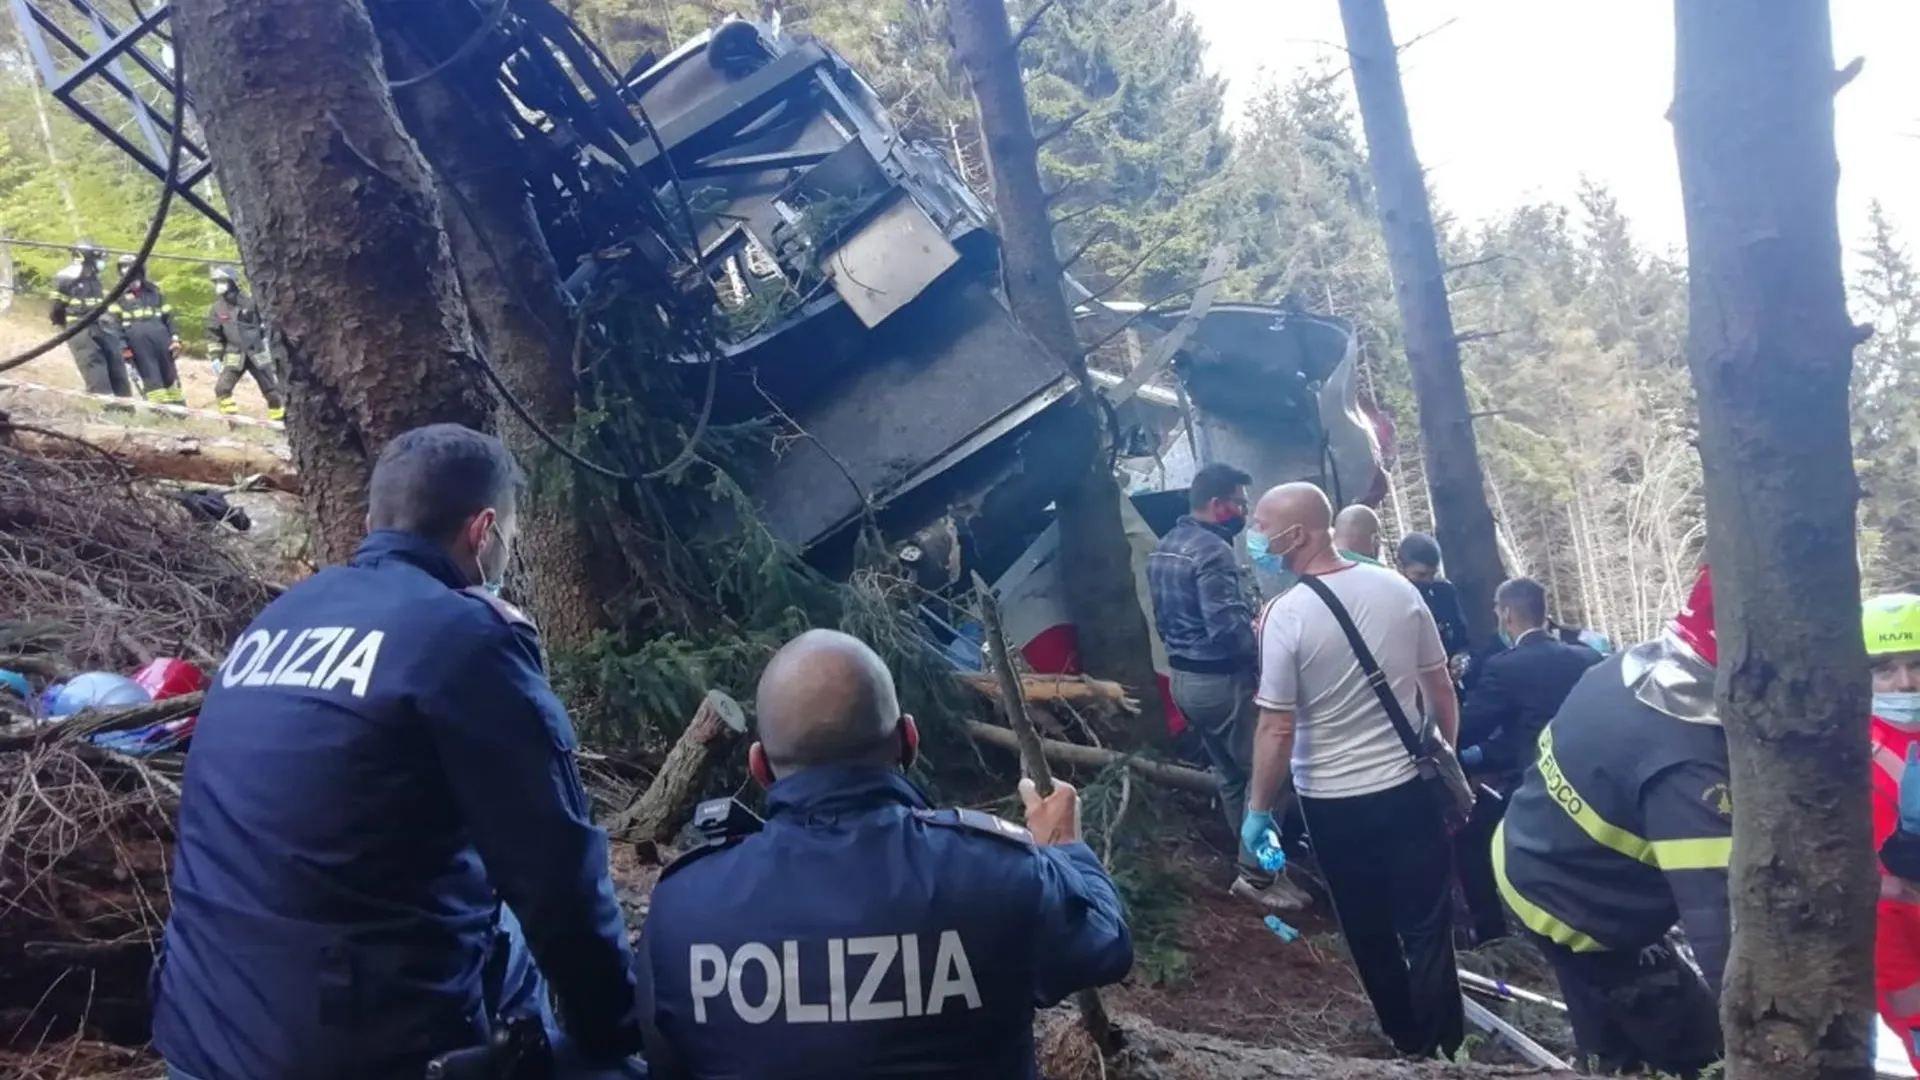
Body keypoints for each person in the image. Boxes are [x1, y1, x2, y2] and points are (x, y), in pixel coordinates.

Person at [151, 424, 644, 1080]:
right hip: (351, 1048)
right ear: (484, 530)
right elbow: (557, 875)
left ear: (370, 520)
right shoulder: (464, 638)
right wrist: (617, 1033)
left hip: (201, 1026)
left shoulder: (280, 618)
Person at [636, 629, 1132, 1080]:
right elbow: (1107, 945)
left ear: (760, 766)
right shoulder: (996, 873)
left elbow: (663, 1058)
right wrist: (1064, 845)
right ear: (908, 741)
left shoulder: (683, 907)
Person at [1238, 482, 1465, 1059]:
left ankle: (1407, 1042)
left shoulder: (1283, 617)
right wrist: (1444, 756)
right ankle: (1447, 1048)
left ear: (1300, 534)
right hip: (1408, 788)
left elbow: (1277, 728)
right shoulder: (1396, 589)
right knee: (1426, 924)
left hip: (1332, 801)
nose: (1254, 533)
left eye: (1262, 523)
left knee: (1367, 930)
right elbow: (1440, 686)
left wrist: (1259, 811)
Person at [1494, 565, 1727, 1078]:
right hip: (1585, 910)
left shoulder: (1620, 668)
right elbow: (1720, 924)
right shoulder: (1689, 768)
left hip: (1529, 857)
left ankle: (1609, 1060)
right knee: (1694, 1046)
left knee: (1605, 1031)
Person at [1147, 462, 1308, 910]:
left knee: (1235, 779)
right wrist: (1263, 639)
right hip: (1222, 683)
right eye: (1239, 503)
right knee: (1271, 779)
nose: (1244, 511)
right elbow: (1226, 630)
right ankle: (1257, 878)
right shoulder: (1213, 553)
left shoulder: (1165, 546)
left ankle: (1258, 868)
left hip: (1185, 680)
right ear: (1216, 505)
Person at [1452, 578, 1603, 946]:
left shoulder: (1505, 668)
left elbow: (1470, 727)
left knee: (1470, 841)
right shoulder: (1587, 657)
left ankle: (1492, 935)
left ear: (1505, 614)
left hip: (1538, 785)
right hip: (1594, 783)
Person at [1864, 594, 1920, 1073]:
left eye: (1917, 664)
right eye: (1886, 668)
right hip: (1897, 934)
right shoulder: (1840, 748)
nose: (1905, 681)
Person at [49, 240, 132, 399]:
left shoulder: (94, 277)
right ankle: (107, 408)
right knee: (94, 366)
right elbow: (56, 309)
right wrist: (67, 327)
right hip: (80, 329)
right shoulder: (66, 277)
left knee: (116, 364)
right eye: (99, 258)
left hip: (102, 326)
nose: (101, 262)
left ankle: (125, 408)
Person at [206, 264, 285, 421]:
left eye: (221, 281)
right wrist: (215, 356)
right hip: (234, 355)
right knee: (222, 389)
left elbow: (267, 324)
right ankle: (233, 423)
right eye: (215, 282)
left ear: (231, 282)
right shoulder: (217, 308)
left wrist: (269, 342)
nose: (218, 285)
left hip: (258, 354)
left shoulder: (250, 303)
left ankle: (280, 424)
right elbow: (213, 334)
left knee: (273, 392)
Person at [113, 254, 186, 405]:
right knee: (151, 377)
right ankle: (161, 413)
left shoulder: (154, 292)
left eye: (130, 267)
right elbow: (114, 325)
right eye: (123, 268)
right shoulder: (117, 296)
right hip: (138, 345)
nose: (127, 272)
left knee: (170, 376)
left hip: (162, 341)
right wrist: (123, 348)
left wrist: (175, 338)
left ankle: (180, 412)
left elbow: (169, 317)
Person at [1396, 533, 1472, 662]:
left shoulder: (1444, 592)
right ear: (1400, 567)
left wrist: (1460, 657)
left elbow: (1462, 639)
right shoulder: (1391, 599)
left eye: (1432, 574)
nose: (1428, 581)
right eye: (1421, 575)